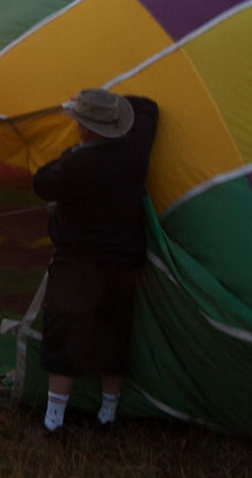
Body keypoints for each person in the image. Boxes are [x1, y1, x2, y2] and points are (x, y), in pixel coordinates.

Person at [30, 87, 160, 434]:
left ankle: (53, 422)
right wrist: (114, 105)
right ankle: (108, 416)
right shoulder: (136, 150)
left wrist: (73, 152)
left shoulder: (76, 164)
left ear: (84, 129)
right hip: (123, 262)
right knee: (114, 335)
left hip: (78, 266)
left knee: (65, 336)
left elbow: (41, 181)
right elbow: (148, 106)